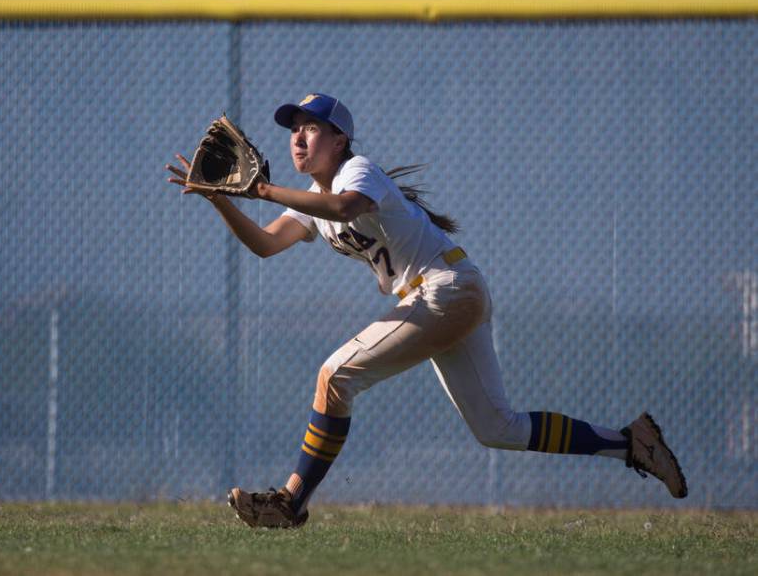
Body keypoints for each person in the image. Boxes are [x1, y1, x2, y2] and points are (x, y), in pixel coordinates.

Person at [165, 93, 687, 529]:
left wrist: (261, 189)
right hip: (445, 295)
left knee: (335, 375)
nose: (298, 136)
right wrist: (220, 199)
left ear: (340, 140)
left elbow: (345, 208)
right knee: (496, 428)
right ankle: (630, 443)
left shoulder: (357, 172)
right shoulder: (308, 200)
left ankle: (291, 502)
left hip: (445, 289)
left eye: (311, 128)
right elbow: (264, 244)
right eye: (293, 128)